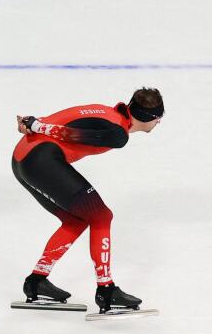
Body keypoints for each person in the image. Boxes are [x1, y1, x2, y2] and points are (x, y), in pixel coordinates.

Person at [12, 87, 163, 313]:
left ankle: (37, 281)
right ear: (149, 117)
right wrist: (36, 126)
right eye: (159, 118)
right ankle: (106, 290)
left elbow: (62, 119)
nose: (159, 122)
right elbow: (71, 134)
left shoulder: (106, 113)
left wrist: (33, 123)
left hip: (22, 160)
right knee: (101, 217)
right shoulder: (118, 133)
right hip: (40, 160)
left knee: (76, 220)